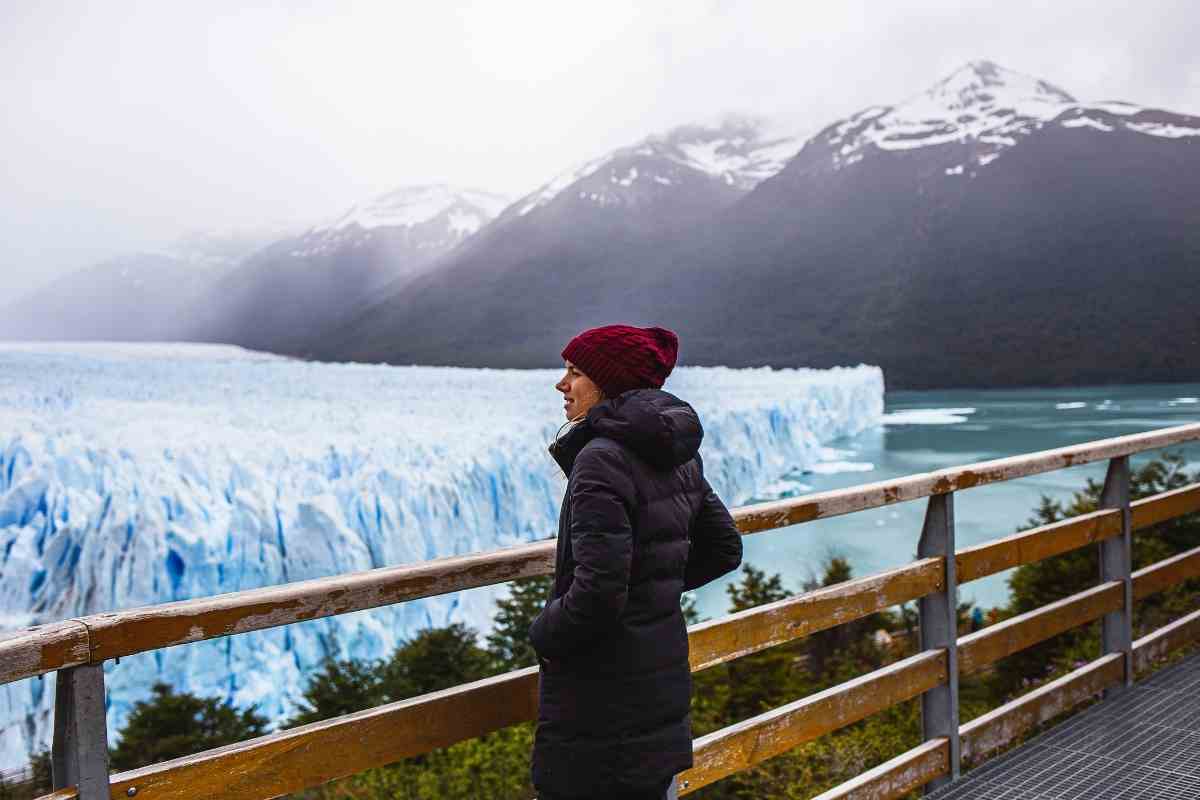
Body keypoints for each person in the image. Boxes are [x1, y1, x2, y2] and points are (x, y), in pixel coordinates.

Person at [529, 324, 744, 800]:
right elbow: (724, 547)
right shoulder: (673, 452)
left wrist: (544, 631)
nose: (562, 385)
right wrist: (650, 591)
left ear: (607, 385)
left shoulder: (600, 459)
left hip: (600, 705)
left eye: (575, 372)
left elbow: (599, 594)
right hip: (657, 686)